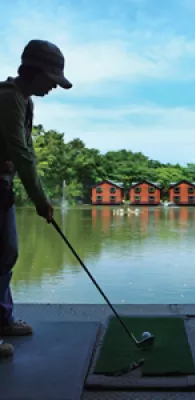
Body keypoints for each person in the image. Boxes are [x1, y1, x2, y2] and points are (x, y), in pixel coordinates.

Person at [0, 39, 72, 358]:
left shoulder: (25, 101)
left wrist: (39, 196)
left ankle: (3, 320)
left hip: (2, 184)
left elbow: (26, 153)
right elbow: (19, 153)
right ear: (36, 72)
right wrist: (40, 200)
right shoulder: (7, 98)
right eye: (52, 80)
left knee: (7, 253)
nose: (54, 87)